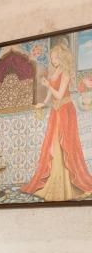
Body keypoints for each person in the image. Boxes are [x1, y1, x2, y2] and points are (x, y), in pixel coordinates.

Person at [21, 42, 92, 201]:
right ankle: (55, 181)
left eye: (54, 58)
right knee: (54, 145)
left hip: (65, 110)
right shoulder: (55, 72)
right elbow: (50, 93)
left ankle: (70, 185)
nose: (52, 61)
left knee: (65, 144)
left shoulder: (65, 72)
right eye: (52, 58)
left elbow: (59, 95)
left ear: (61, 57)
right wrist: (43, 103)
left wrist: (48, 85)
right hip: (56, 110)